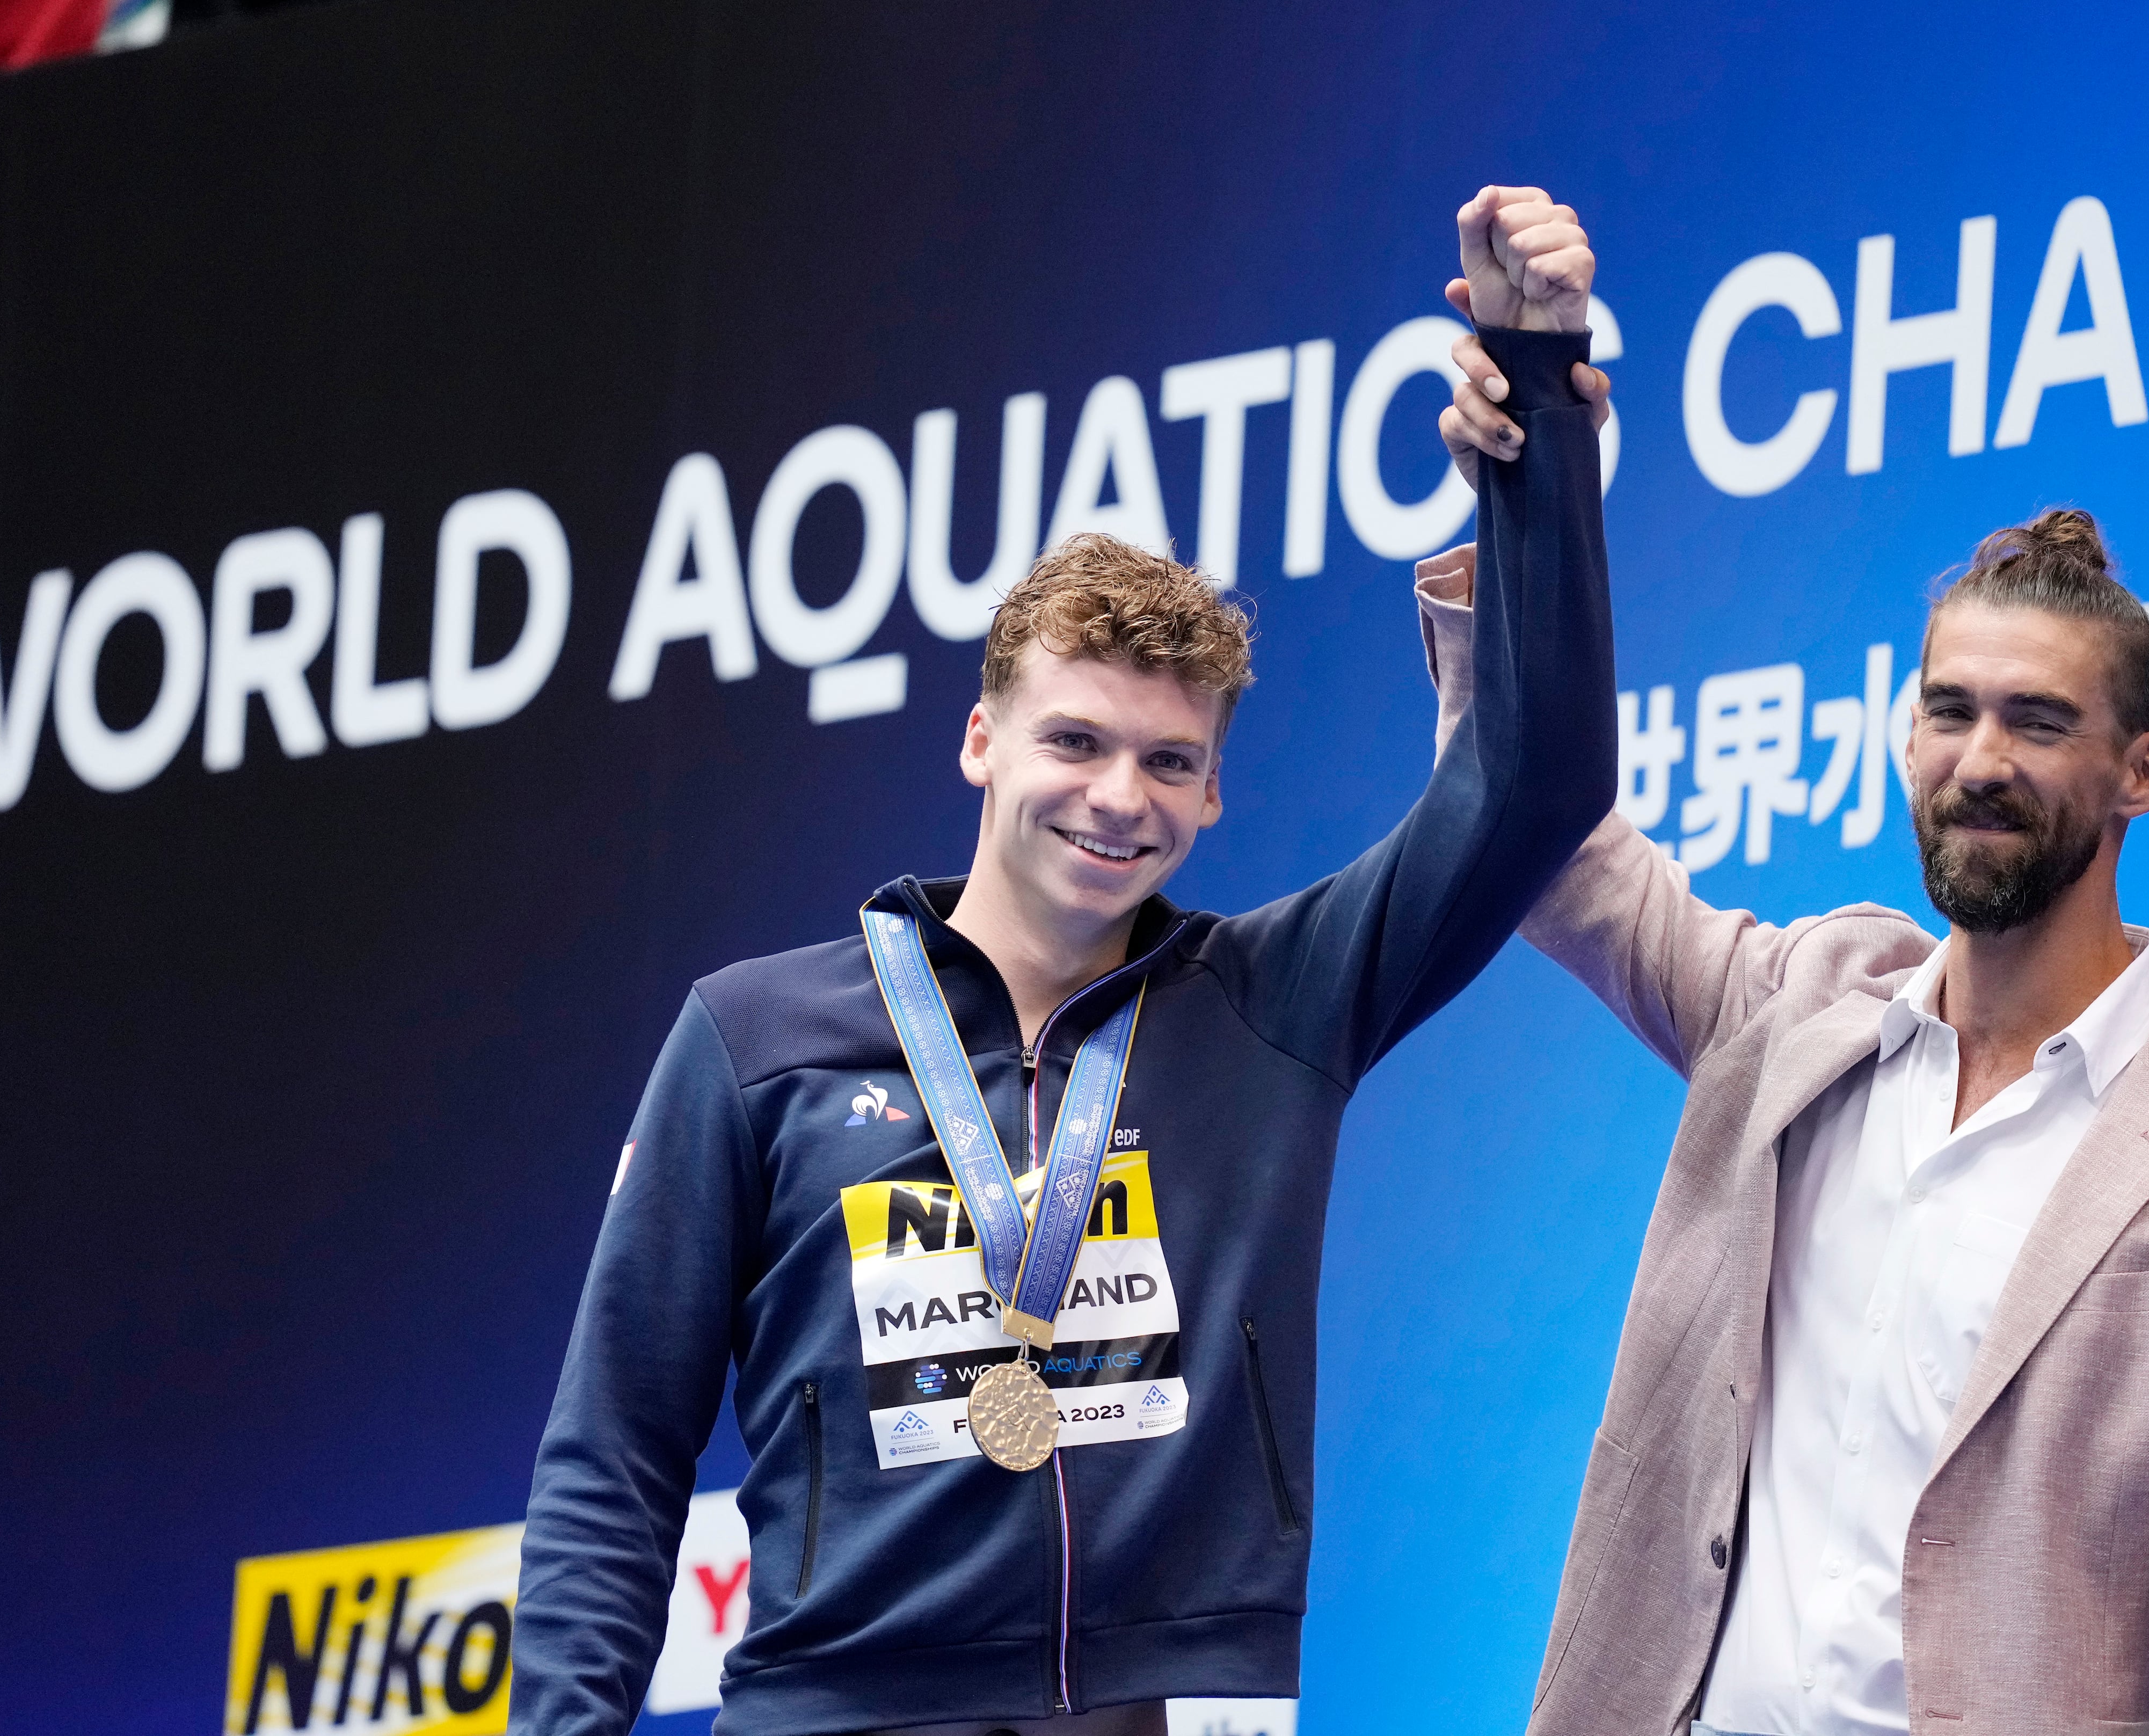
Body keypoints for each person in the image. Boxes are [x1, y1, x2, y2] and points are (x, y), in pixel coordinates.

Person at [507, 186, 1619, 1736]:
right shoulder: (756, 1035)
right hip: (842, 1707)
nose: (1119, 796)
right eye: (1075, 740)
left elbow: (1541, 781)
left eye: (1170, 761)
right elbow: (616, 1455)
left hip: (1176, 1703)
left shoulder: (1275, 1001)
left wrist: (1543, 410)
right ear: (981, 738)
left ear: (1218, 789)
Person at [1422, 377, 2149, 1736]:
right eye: (1949, 710)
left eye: (2038, 722)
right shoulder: (1800, 1002)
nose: (1978, 759)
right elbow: (1543, 847)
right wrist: (1520, 516)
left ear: (2144, 769)